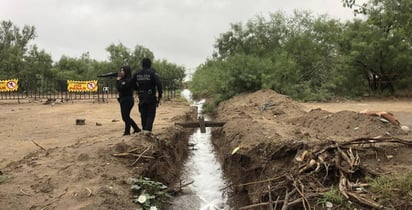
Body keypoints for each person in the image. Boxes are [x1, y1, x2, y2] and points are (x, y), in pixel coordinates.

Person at [130, 58, 163, 134]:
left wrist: (137, 89)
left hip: (141, 96)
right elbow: (159, 84)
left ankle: (144, 128)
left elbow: (131, 82)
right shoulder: (152, 73)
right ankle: (147, 130)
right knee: (151, 113)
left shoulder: (137, 73)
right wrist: (160, 95)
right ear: (150, 64)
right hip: (150, 96)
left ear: (142, 64)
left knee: (143, 113)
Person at [116, 66, 141, 136]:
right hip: (123, 100)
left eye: (122, 71)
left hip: (127, 100)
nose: (121, 72)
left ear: (126, 72)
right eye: (120, 70)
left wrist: (118, 81)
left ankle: (128, 131)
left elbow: (119, 88)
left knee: (125, 116)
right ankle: (135, 129)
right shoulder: (123, 80)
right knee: (125, 117)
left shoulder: (128, 80)